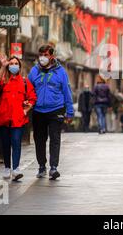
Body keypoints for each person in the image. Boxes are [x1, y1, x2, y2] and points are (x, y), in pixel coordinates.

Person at [28, 45, 74, 180]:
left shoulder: (61, 72)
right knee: (39, 139)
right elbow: (28, 90)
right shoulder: (34, 71)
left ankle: (53, 168)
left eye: (46, 54)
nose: (42, 57)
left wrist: (69, 112)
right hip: (38, 110)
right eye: (40, 54)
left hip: (56, 110)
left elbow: (67, 91)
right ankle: (42, 166)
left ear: (52, 56)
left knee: (55, 139)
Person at [0, 55, 37, 181]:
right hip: (4, 118)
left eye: (16, 63)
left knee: (16, 143)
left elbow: (32, 98)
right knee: (6, 144)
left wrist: (25, 110)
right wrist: (3, 67)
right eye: (11, 63)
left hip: (18, 119)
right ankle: (7, 167)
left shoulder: (24, 82)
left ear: (20, 66)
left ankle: (16, 169)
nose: (13, 65)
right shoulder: (4, 81)